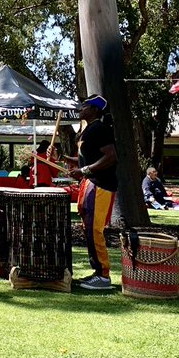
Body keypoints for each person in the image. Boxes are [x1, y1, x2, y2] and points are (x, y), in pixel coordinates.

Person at [65, 94, 117, 290]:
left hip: (101, 185)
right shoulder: (89, 130)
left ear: (95, 109)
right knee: (88, 228)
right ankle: (97, 272)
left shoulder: (100, 129)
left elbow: (111, 157)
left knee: (95, 229)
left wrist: (84, 171)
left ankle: (103, 276)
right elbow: (85, 160)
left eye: (84, 106)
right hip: (90, 184)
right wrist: (65, 158)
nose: (81, 109)